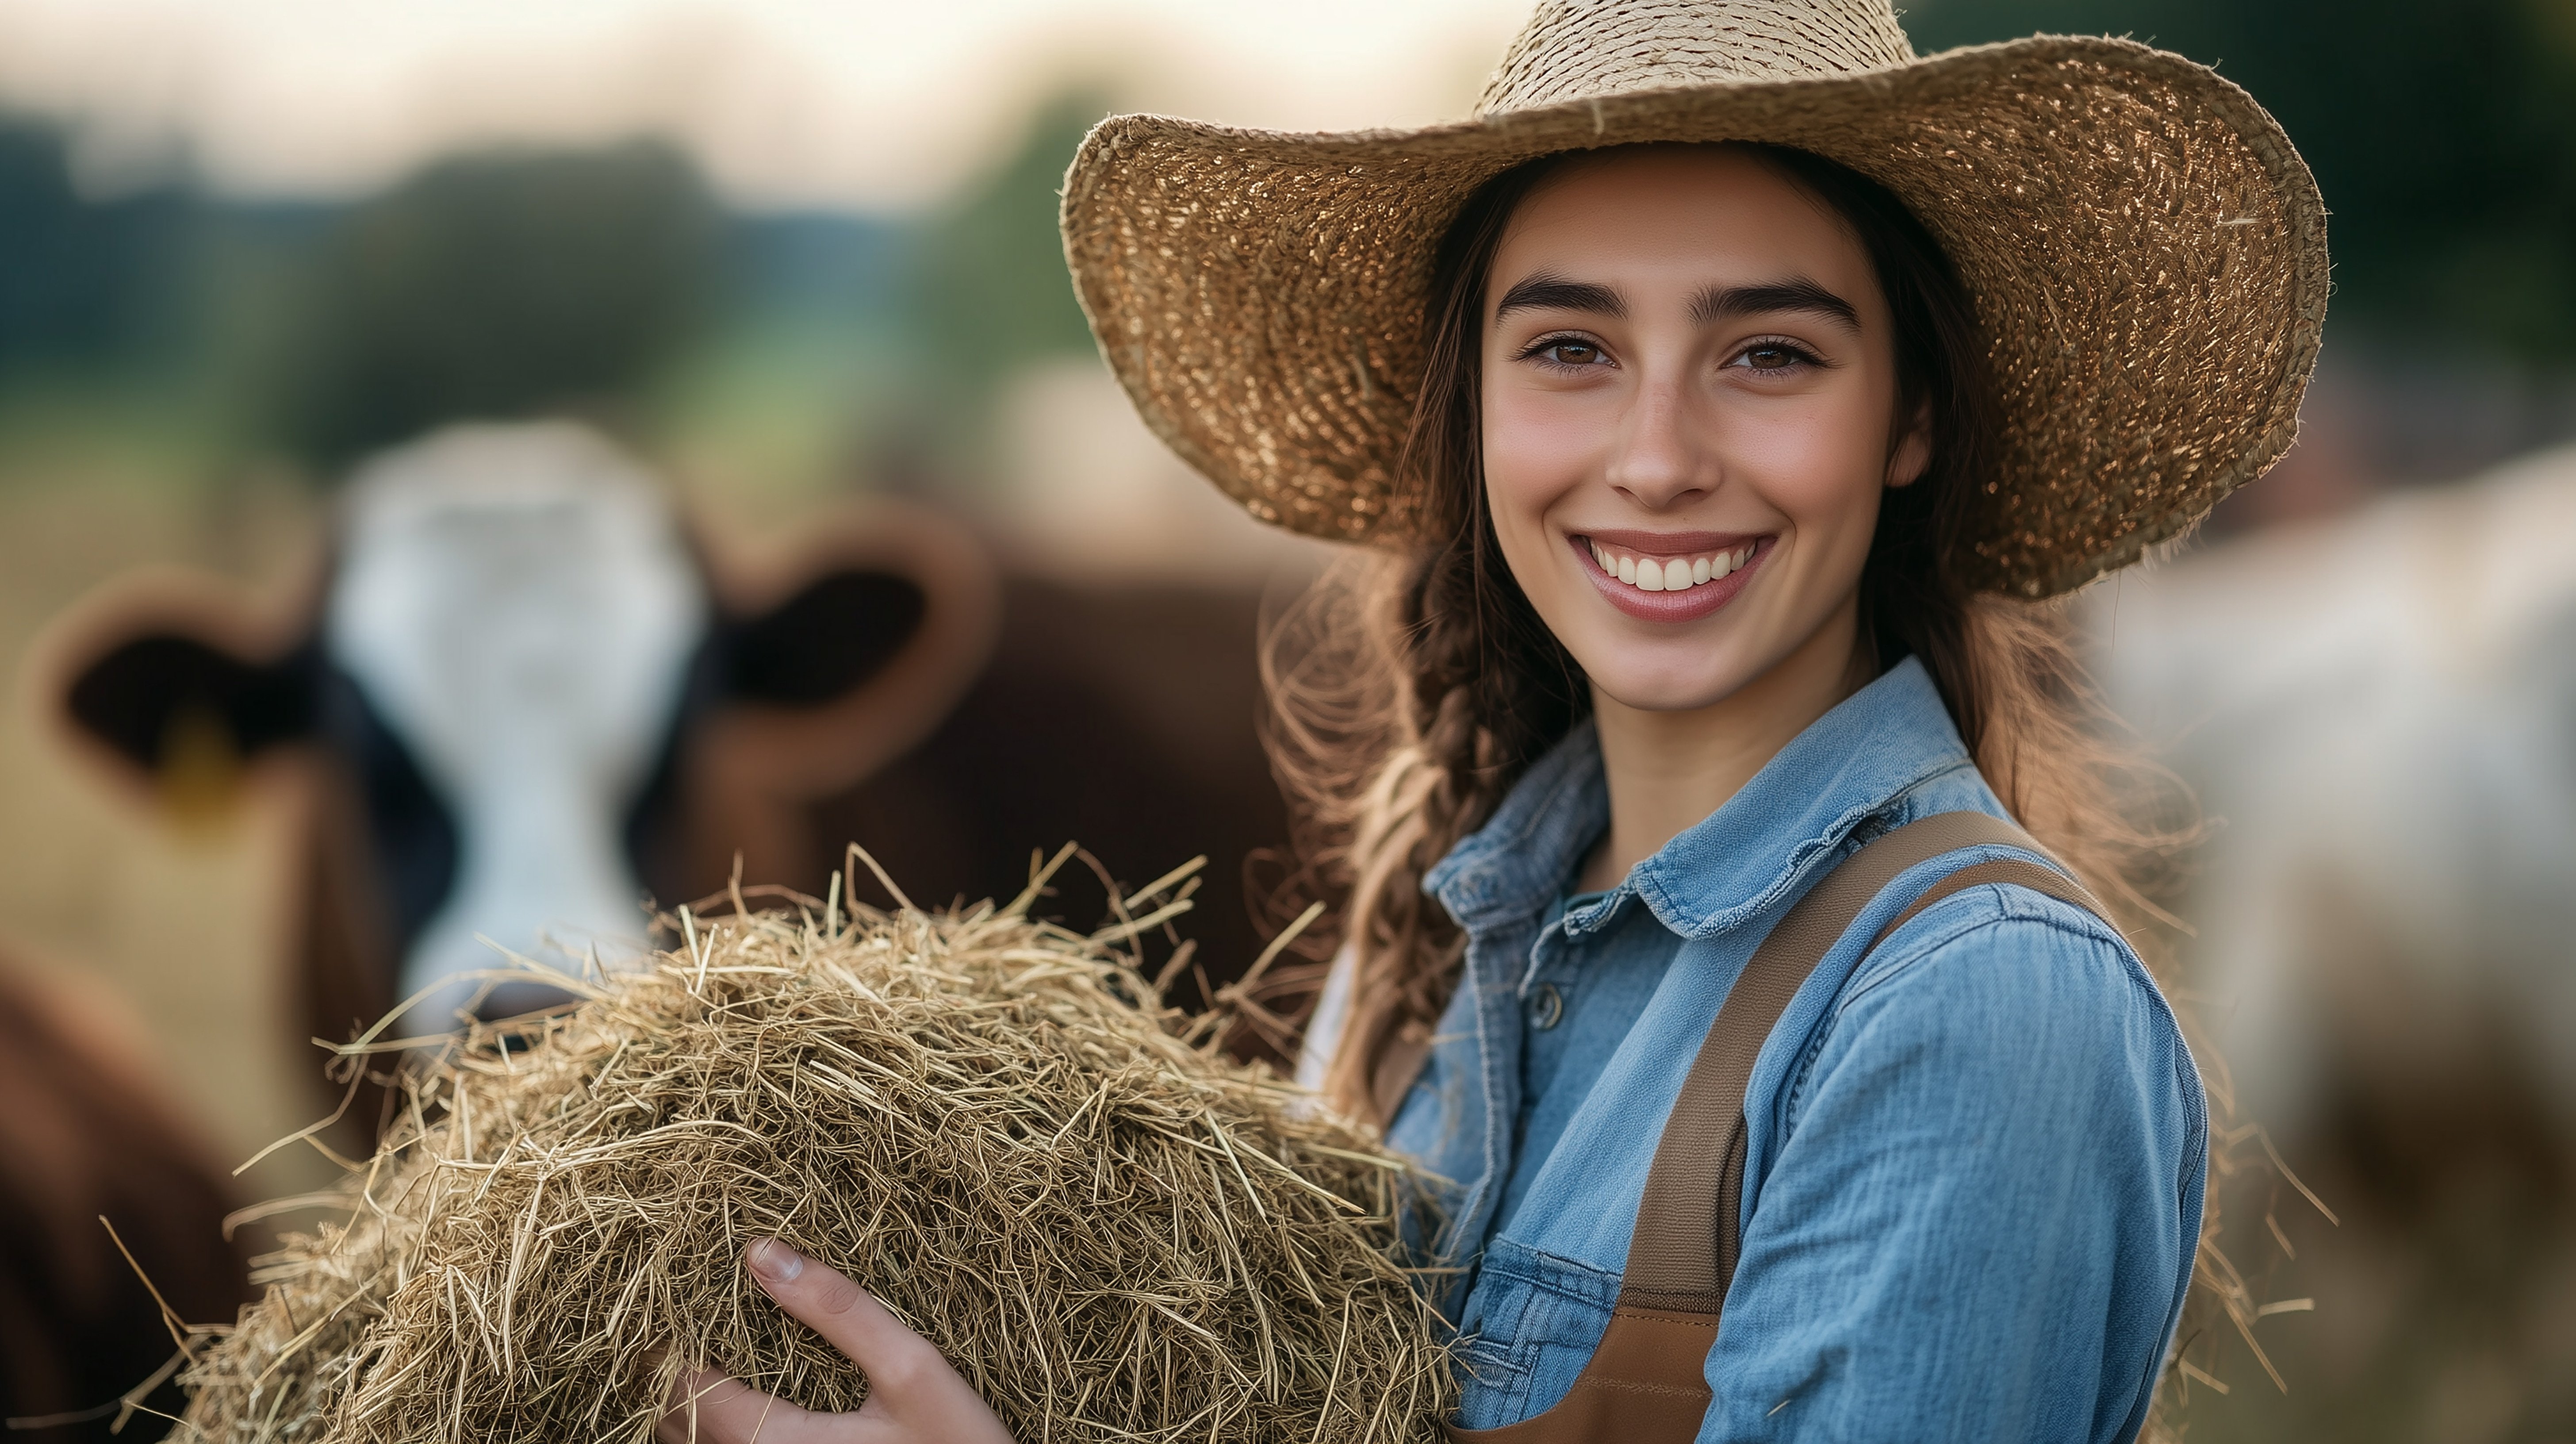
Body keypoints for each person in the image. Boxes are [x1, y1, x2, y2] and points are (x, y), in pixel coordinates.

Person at [656, 1, 2325, 1440]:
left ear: (1911, 418)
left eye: (1769, 354)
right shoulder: (1422, 960)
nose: (1659, 454)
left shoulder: (1971, 1014)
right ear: (1472, 413)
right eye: (1572, 349)